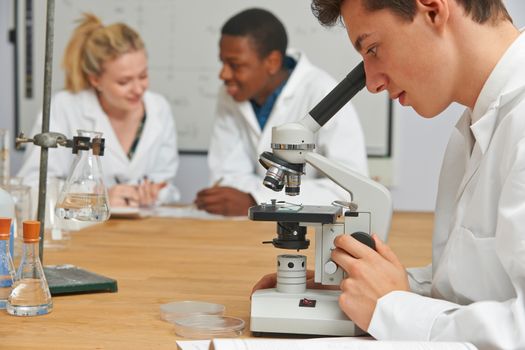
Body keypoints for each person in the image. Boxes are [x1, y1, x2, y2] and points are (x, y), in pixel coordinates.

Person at [253, 0, 525, 348]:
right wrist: (364, 285)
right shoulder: (477, 124)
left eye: (373, 48)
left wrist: (392, 307)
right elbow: (476, 289)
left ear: (432, 9)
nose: (371, 83)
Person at [194, 8, 368, 216]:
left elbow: (349, 189)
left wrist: (257, 200)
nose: (223, 74)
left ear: (272, 62)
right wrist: (255, 200)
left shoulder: (324, 93)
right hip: (246, 227)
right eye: (222, 62)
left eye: (235, 65)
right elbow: (227, 178)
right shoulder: (230, 94)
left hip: (309, 227)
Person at [18, 13, 180, 208]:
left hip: (141, 229)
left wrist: (153, 193)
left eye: (143, 76)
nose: (138, 89)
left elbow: (165, 184)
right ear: (95, 80)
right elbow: (34, 184)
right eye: (124, 82)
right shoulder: (64, 107)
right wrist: (93, 197)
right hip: (82, 228)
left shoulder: (158, 108)